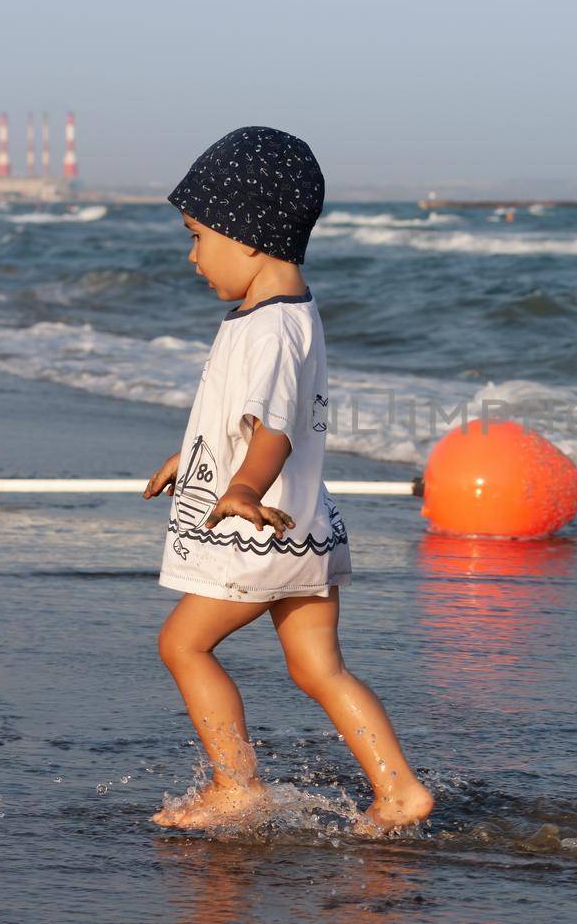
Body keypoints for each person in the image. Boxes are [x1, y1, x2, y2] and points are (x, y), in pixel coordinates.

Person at [142, 126, 433, 834]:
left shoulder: (268, 330)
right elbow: (252, 419)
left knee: (183, 644)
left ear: (246, 234)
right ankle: (400, 791)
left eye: (198, 234)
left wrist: (241, 488)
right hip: (306, 526)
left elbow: (272, 432)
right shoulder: (285, 316)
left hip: (259, 530)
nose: (192, 255)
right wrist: (200, 458)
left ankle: (234, 783)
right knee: (318, 668)